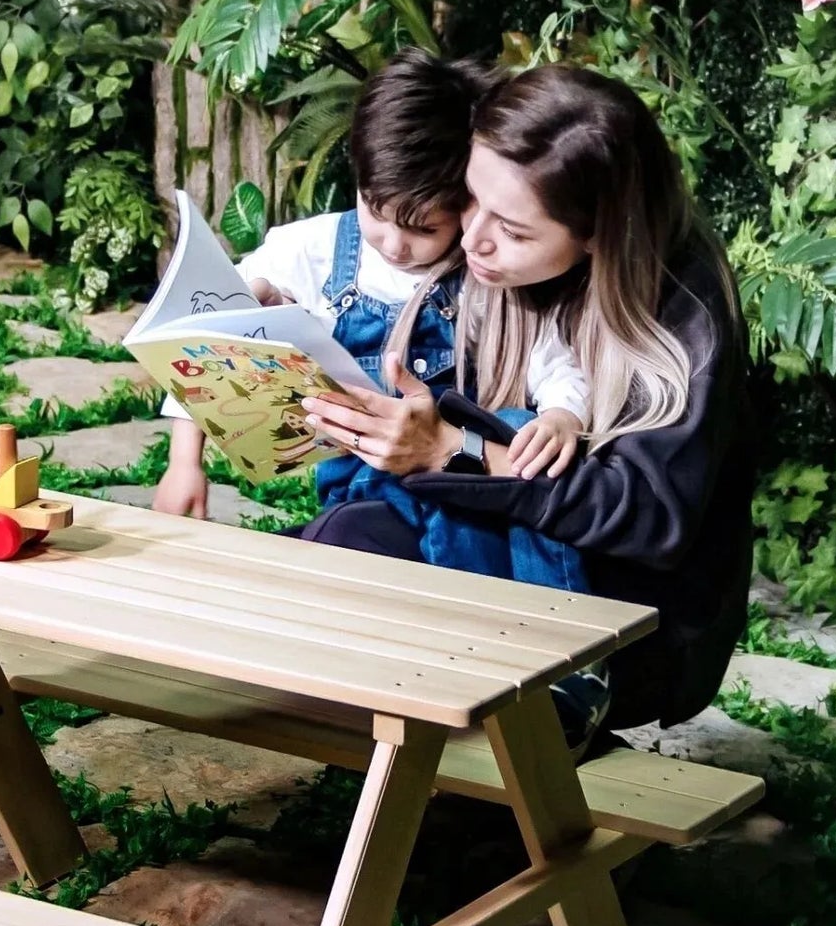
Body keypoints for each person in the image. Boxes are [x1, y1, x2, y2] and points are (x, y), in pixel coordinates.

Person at [296, 63, 755, 737]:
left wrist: (454, 450)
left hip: (632, 615)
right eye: (469, 199)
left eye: (511, 229)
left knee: (350, 558)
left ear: (597, 232)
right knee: (317, 558)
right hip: (495, 556)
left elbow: (649, 518)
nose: (473, 237)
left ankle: (523, 765)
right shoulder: (499, 256)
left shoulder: (681, 304)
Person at [152, 49, 594, 524]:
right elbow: (203, 345)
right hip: (356, 497)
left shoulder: (483, 277)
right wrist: (184, 463)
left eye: (424, 229)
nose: (395, 244)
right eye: (375, 211)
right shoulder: (312, 251)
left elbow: (558, 364)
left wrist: (562, 416)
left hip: (454, 496)